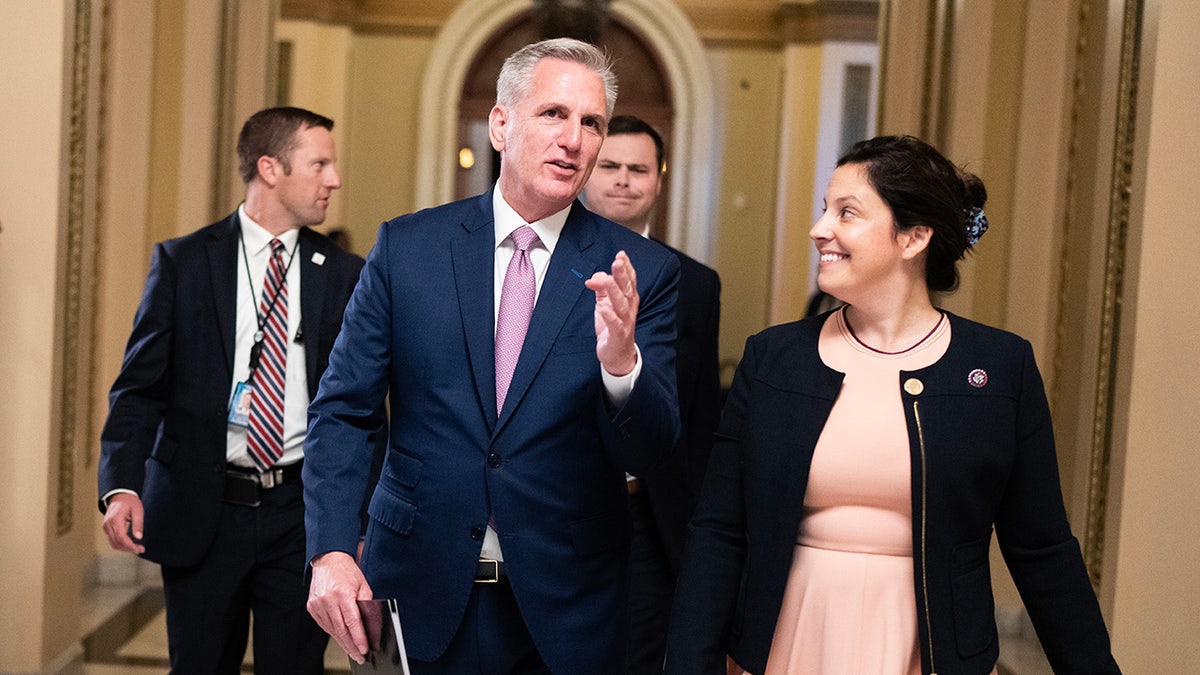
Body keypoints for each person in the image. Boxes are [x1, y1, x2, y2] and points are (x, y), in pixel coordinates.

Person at [665, 135, 1120, 674]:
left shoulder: (999, 367)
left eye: (847, 213)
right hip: (791, 637)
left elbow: (1042, 547)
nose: (820, 229)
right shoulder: (774, 358)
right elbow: (719, 530)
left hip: (927, 650)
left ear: (914, 237)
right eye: (824, 209)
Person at [302, 38, 681, 674]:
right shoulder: (408, 248)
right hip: (418, 584)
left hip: (569, 604)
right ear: (500, 124)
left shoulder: (640, 271)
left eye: (591, 123)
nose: (574, 139)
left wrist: (621, 366)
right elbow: (344, 410)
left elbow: (654, 451)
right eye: (553, 114)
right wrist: (332, 551)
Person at [98, 106, 382, 674]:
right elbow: (138, 389)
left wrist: (361, 519)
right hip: (204, 507)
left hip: (302, 514)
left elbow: (368, 411)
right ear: (270, 168)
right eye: (320, 163)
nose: (335, 179)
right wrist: (121, 485)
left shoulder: (345, 273)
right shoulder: (183, 263)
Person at [583, 114, 721, 673]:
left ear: (659, 180)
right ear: (588, 173)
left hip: (650, 511)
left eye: (637, 169)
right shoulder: (539, 264)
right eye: (610, 166)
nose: (622, 180)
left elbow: (700, 410)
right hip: (558, 501)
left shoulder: (696, 283)